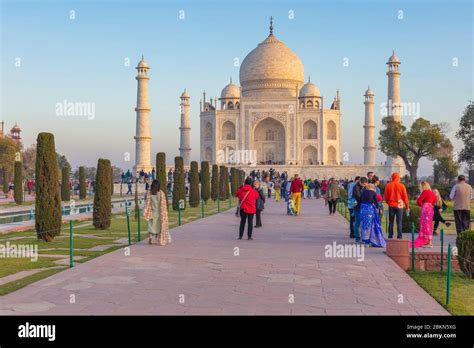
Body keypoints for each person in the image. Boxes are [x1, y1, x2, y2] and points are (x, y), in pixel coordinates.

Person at [143, 180, 171, 246]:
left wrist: (145, 211)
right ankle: (156, 238)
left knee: (151, 225)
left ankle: (150, 237)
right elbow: (164, 204)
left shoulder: (149, 193)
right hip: (159, 213)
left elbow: (147, 202)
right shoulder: (161, 193)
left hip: (151, 212)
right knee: (158, 227)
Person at [411, 181, 437, 248]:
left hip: (425, 209)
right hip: (431, 209)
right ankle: (429, 241)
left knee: (425, 225)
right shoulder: (431, 192)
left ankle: (428, 242)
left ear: (423, 186)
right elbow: (435, 200)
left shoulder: (425, 192)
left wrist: (422, 204)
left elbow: (418, 201)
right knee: (429, 225)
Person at [384, 172, 409, 239]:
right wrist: (407, 206)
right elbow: (405, 197)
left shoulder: (388, 185)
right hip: (399, 205)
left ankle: (390, 235)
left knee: (391, 221)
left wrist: (388, 202)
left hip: (391, 205)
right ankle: (399, 236)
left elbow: (386, 197)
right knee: (399, 221)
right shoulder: (401, 185)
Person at [353, 177, 368, 243]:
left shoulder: (364, 187)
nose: (364, 185)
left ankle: (363, 237)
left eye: (365, 184)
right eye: (363, 184)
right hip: (358, 207)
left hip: (363, 207)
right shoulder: (356, 187)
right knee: (358, 223)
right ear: (360, 182)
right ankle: (357, 238)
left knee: (363, 223)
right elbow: (358, 198)